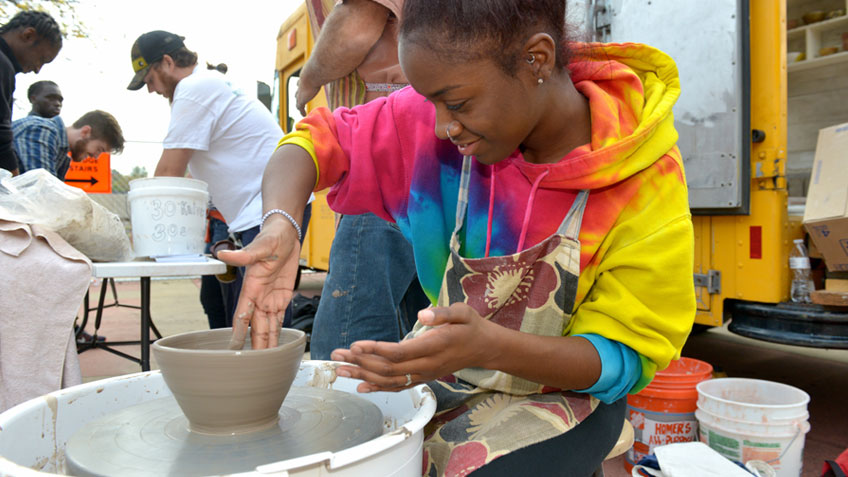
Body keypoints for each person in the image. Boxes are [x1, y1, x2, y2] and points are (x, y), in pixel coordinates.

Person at [221, 0, 695, 474]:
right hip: (446, 376)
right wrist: (282, 221)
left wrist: (488, 347)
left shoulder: (643, 181)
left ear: (536, 59)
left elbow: (622, 359)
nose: (440, 126)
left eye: (458, 104)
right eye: (430, 103)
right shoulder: (442, 115)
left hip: (569, 395)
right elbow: (312, 142)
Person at [126, 30, 312, 326]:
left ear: (167, 62)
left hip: (265, 208)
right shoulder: (208, 83)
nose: (151, 90)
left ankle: (268, 371)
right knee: (234, 306)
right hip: (264, 206)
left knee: (260, 313)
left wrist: (144, 240)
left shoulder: (193, 88)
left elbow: (167, 175)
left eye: (150, 79)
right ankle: (254, 367)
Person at [295, 0, 430, 359]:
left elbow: (358, 25)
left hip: (386, 155)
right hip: (409, 150)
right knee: (420, 329)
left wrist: (307, 80)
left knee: (347, 339)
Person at [0, 10, 62, 176]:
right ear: (28, 36)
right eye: (41, 59)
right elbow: (1, 136)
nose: (37, 70)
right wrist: (14, 181)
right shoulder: (3, 64)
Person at [13, 110, 124, 180]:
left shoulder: (62, 154)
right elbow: (42, 189)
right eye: (99, 149)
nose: (95, 157)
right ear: (85, 132)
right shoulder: (43, 131)